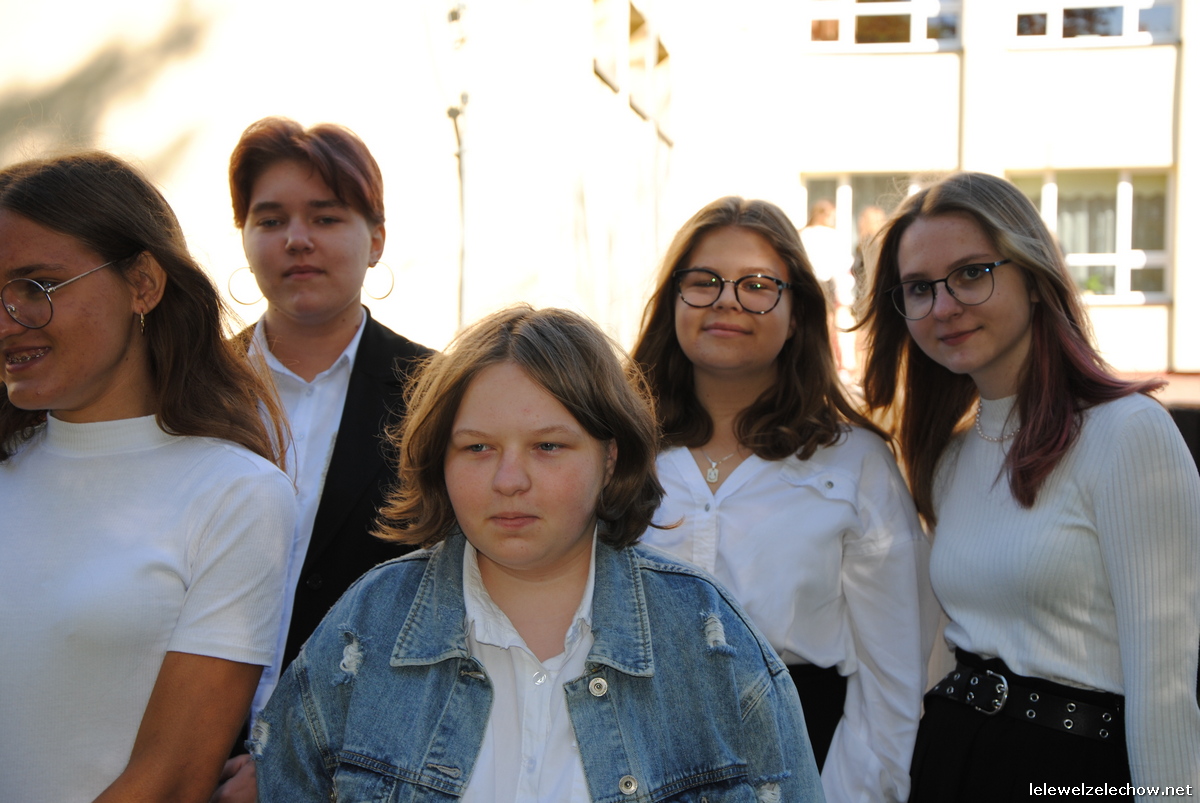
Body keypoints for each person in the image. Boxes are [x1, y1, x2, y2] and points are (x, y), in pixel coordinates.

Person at [252, 305, 824, 802]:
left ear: (610, 458)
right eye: (478, 447)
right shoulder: (367, 626)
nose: (509, 480)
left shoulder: (708, 638)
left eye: (548, 446)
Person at [858, 171, 1200, 801]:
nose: (944, 307)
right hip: (951, 764)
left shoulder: (1128, 433)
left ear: (1035, 278)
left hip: (1071, 776)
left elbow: (1167, 685)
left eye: (971, 273)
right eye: (919, 288)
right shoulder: (948, 457)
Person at [0, 152, 294, 803]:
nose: (5, 320)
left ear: (143, 283)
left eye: (37, 286)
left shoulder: (235, 494)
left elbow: (172, 777)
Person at [631, 197, 935, 803]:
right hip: (634, 756)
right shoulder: (616, 449)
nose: (726, 300)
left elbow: (895, 677)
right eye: (704, 281)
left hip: (796, 763)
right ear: (674, 301)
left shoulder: (853, 464)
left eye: (757, 285)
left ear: (797, 315)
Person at [212, 117, 434, 800]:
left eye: (326, 217)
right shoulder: (189, 388)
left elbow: (438, 606)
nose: (297, 239)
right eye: (270, 219)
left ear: (377, 239)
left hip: (355, 763)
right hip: (185, 753)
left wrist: (291, 758)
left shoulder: (436, 396)